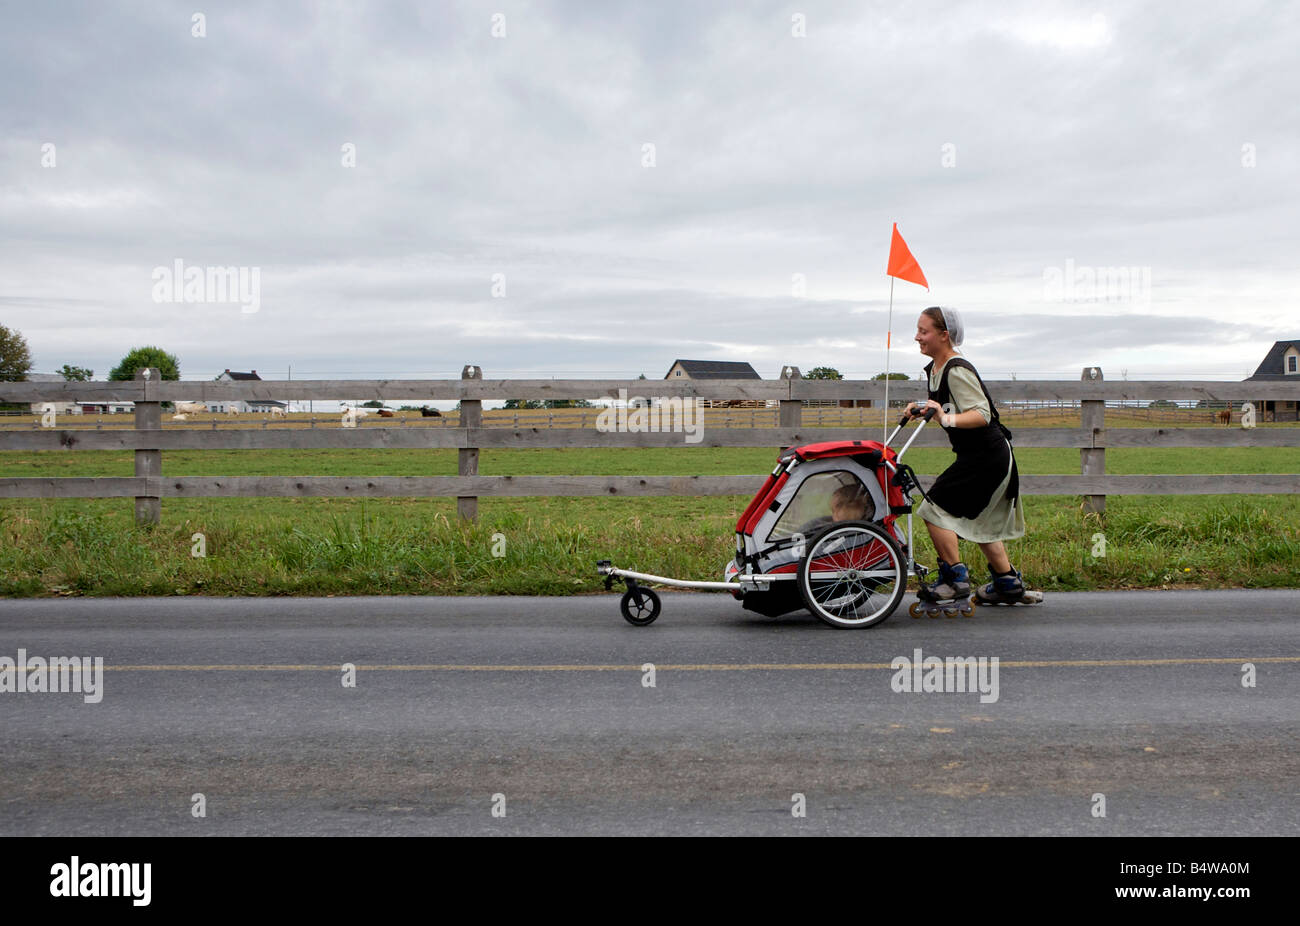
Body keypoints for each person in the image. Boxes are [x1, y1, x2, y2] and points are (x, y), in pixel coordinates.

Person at [903, 306, 1029, 605]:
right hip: (978, 456)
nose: (917, 337)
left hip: (987, 457)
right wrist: (924, 408)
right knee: (980, 519)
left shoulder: (956, 369)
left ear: (944, 335)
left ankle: (954, 580)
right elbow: (946, 407)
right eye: (918, 331)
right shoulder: (936, 369)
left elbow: (982, 414)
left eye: (924, 331)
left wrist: (944, 418)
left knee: (934, 509)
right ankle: (1007, 584)